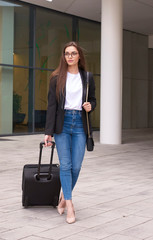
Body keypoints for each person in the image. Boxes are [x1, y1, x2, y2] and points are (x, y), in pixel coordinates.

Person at [44, 41, 96, 224]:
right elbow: (51, 106)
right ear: (64, 56)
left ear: (79, 56)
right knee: (65, 166)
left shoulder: (88, 77)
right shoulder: (56, 78)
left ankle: (63, 198)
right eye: (67, 53)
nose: (70, 56)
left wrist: (91, 106)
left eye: (73, 53)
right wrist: (48, 132)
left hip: (80, 124)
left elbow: (93, 100)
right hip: (62, 124)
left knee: (76, 166)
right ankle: (70, 205)